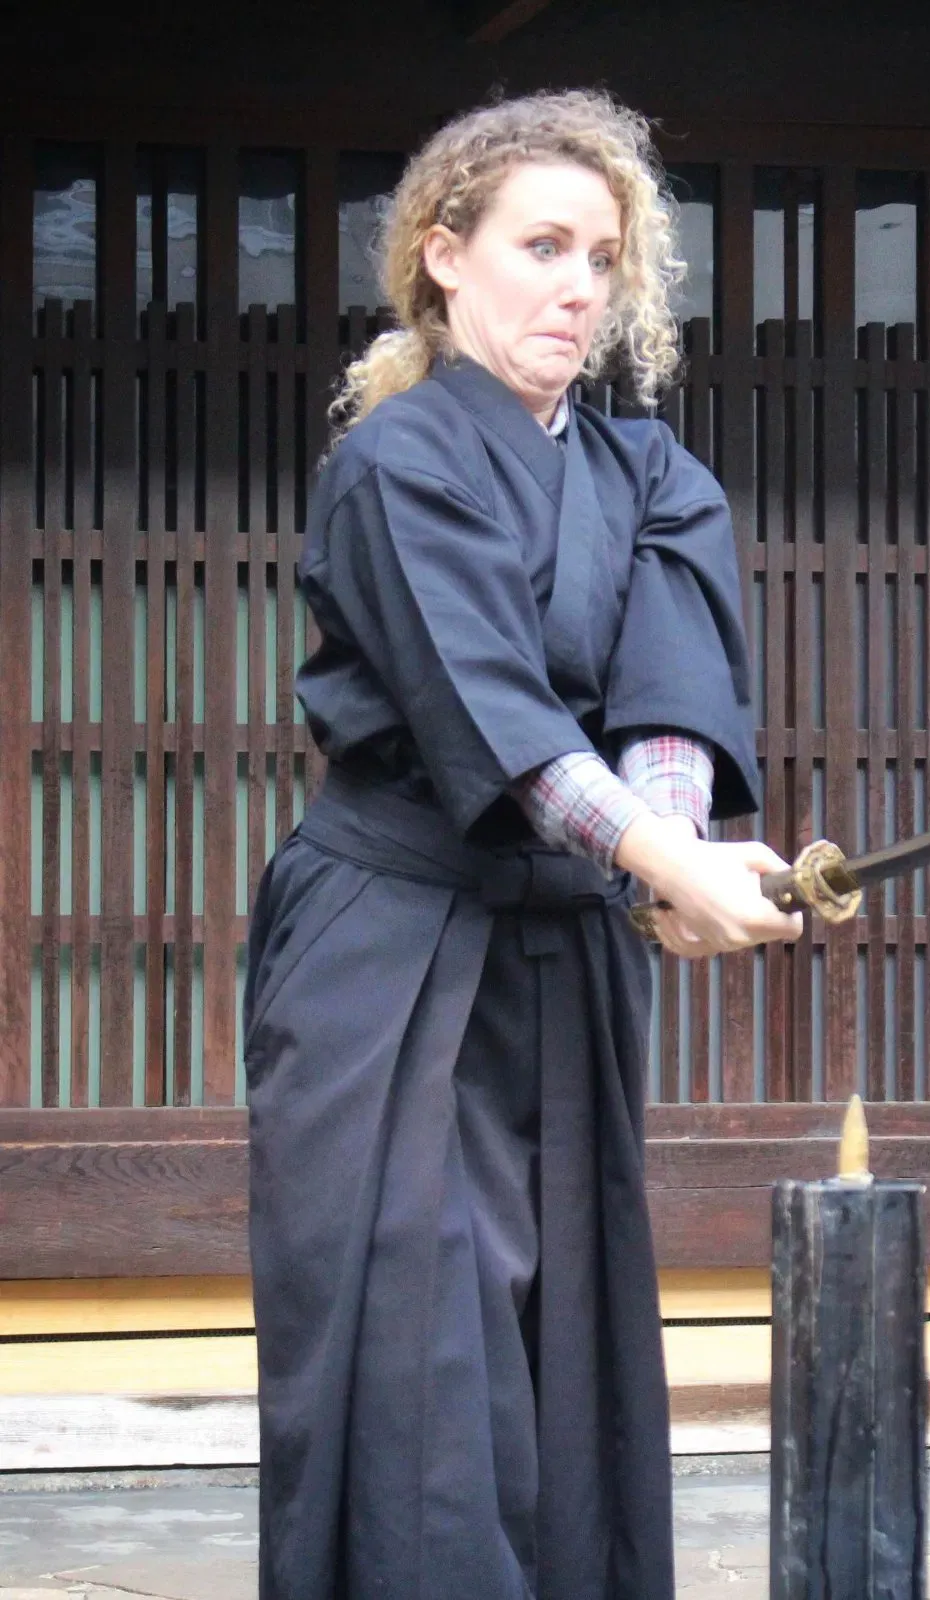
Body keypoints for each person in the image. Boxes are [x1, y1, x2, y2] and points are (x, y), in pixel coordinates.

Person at [243, 89, 801, 1600]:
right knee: (417, 1358)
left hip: (568, 950)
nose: (579, 288)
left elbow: (670, 690)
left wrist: (673, 848)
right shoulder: (395, 463)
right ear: (445, 254)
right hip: (389, 953)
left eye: (603, 259)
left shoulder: (654, 473)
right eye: (542, 246)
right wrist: (661, 866)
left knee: (570, 1353)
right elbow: (490, 712)